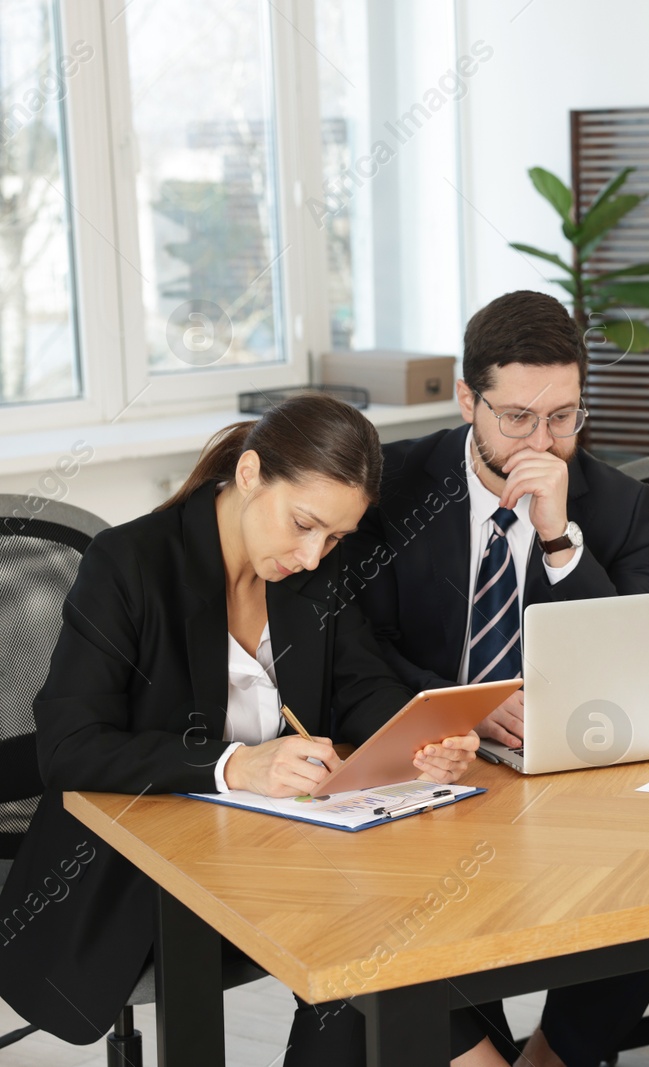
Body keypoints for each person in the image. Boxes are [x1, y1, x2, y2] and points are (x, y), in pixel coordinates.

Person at [0, 395, 490, 1066]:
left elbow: (361, 682)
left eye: (336, 538)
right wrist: (237, 765)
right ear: (253, 472)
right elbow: (68, 746)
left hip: (284, 853)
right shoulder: (131, 564)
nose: (316, 555)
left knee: (391, 922)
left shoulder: (308, 569)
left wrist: (419, 737)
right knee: (366, 929)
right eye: (305, 524)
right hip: (144, 873)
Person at [343, 289, 649, 1067]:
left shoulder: (618, 507)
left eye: (563, 416)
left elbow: (634, 662)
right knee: (409, 904)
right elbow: (360, 645)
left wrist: (559, 541)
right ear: (466, 400)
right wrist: (466, 711)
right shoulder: (393, 489)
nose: (542, 440)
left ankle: (552, 1056)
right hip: (429, 764)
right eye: (517, 416)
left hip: (559, 774)